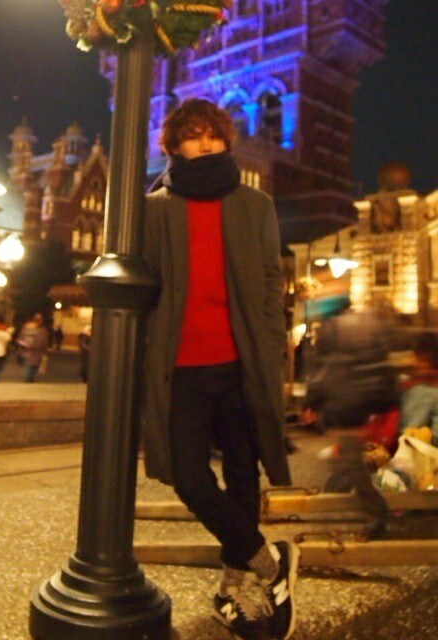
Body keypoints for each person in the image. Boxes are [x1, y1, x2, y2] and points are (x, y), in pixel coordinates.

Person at [142, 98, 297, 640]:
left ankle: (234, 586)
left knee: (242, 474)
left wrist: (271, 341)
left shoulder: (255, 205)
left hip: (239, 362)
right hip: (181, 366)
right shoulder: (154, 209)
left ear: (226, 141)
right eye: (193, 136)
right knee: (187, 476)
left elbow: (271, 278)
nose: (204, 144)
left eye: (213, 135)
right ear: (173, 144)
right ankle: (269, 561)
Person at [17, 313, 50, 383]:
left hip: (35, 354)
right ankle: (27, 382)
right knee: (28, 372)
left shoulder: (42, 330)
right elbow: (20, 340)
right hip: (29, 354)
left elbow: (44, 342)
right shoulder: (28, 328)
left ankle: (29, 381)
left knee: (31, 371)